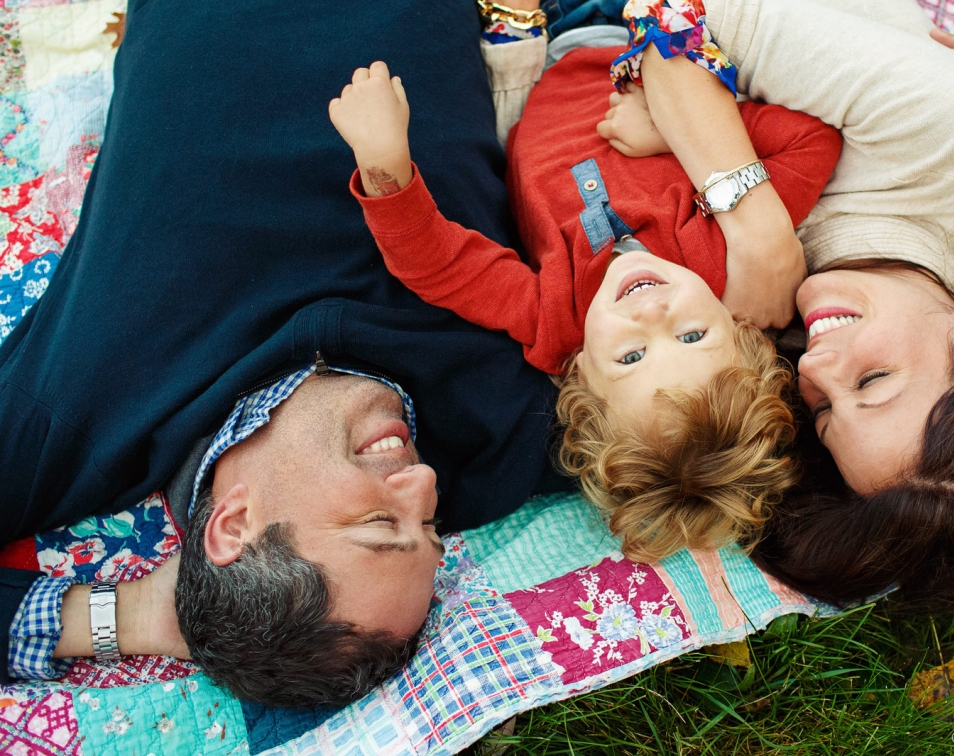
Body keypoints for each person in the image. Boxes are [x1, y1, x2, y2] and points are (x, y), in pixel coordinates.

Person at [0, 0, 571, 707]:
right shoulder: (499, 437)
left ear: (234, 524)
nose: (424, 486)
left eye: (378, 524)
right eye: (428, 528)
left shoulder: (76, 415)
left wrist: (139, 614)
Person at [599, 0, 954, 613]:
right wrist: (758, 231)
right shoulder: (937, 124)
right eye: (873, 381)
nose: (813, 368)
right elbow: (671, 14)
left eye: (824, 412)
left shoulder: (806, 324)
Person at [328, 13, 843, 561]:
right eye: (693, 336)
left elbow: (441, 265)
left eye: (631, 356)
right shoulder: (731, 254)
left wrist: (383, 162)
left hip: (539, 59)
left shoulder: (556, 319)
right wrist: (669, 130)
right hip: (632, 39)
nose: (653, 315)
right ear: (740, 332)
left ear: (581, 379)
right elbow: (812, 139)